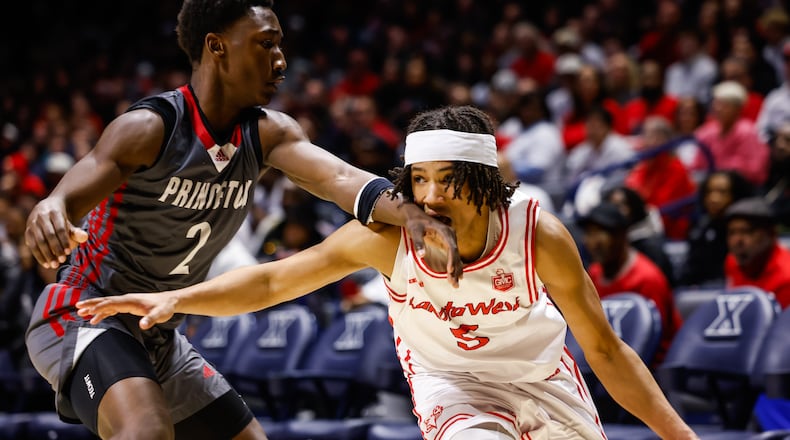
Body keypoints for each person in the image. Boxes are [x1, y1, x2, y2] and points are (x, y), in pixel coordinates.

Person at [77, 105, 699, 440]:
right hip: (451, 388)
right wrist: (178, 299)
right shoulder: (383, 239)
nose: (426, 197)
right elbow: (273, 282)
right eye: (417, 179)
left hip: (543, 378)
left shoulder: (539, 235)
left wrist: (679, 436)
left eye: (446, 181)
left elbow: (608, 351)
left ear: (484, 182)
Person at [22, 1, 461, 439]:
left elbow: (341, 177)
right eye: (265, 44)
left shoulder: (268, 133)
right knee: (146, 432)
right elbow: (63, 199)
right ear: (217, 47)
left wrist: (412, 216)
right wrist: (50, 211)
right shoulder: (148, 128)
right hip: (86, 311)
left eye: (280, 46)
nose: (281, 60)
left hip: (159, 333)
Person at [577, 202, 682, 367]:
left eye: (600, 232)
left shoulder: (647, 278)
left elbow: (654, 344)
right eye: (589, 233)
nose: (593, 242)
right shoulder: (594, 273)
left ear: (622, 235)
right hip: (611, 362)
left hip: (652, 368)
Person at [723, 196, 790, 309]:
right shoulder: (731, 261)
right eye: (732, 233)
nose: (737, 241)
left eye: (746, 232)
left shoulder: (786, 277)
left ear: (771, 234)